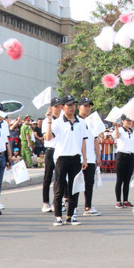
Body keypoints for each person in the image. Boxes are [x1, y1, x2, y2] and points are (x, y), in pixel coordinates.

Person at [44, 95, 90, 226]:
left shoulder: (81, 123)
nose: (72, 107)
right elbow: (48, 137)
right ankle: (58, 216)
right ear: (62, 107)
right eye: (69, 105)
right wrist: (49, 121)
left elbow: (83, 141)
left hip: (76, 158)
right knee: (59, 188)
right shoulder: (58, 122)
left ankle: (70, 216)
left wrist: (85, 158)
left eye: (73, 105)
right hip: (61, 158)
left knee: (74, 188)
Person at [78, 97, 106, 217]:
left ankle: (88, 206)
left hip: (90, 158)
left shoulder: (92, 122)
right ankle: (71, 207)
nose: (87, 108)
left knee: (89, 183)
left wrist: (98, 156)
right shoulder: (76, 121)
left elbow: (95, 140)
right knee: (75, 183)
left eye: (89, 106)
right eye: (85, 106)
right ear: (79, 107)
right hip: (78, 157)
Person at [40, 96, 61, 211]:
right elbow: (46, 137)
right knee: (48, 177)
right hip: (50, 150)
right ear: (51, 108)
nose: (58, 109)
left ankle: (57, 202)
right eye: (56, 106)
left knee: (60, 178)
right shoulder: (46, 121)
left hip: (60, 150)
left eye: (60, 106)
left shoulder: (63, 120)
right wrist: (49, 120)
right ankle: (45, 202)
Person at [115, 118, 134, 208]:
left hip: (130, 156)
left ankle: (125, 200)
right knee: (120, 180)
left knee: (127, 180)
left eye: (130, 120)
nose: (129, 122)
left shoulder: (132, 132)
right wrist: (116, 127)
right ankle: (118, 201)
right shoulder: (120, 130)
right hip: (122, 155)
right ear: (122, 121)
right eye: (127, 120)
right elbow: (117, 136)